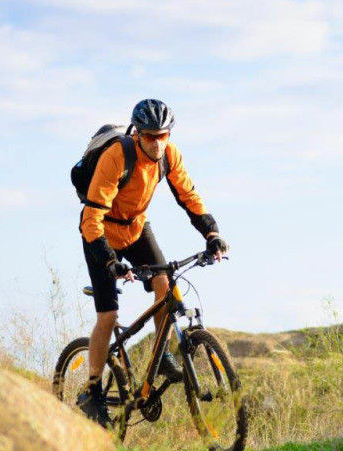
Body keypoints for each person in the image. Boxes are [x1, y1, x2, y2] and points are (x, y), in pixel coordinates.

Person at [76, 98, 229, 428]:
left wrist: (211, 233)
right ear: (137, 134)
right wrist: (110, 262)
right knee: (109, 315)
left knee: (166, 287)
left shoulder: (169, 155)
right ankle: (92, 390)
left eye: (163, 135)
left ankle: (161, 357)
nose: (157, 143)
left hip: (135, 227)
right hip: (100, 233)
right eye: (150, 136)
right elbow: (92, 217)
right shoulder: (117, 156)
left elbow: (188, 196)